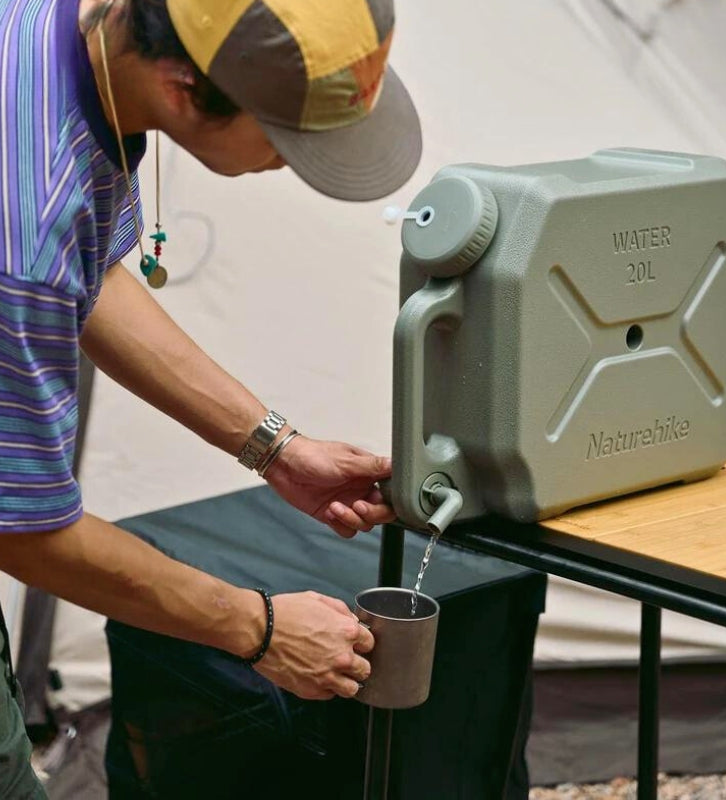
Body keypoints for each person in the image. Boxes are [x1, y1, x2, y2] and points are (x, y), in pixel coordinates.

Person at [0, 0, 423, 794]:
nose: (298, 165)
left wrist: (274, 447)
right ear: (184, 88)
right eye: (289, 141)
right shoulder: (18, 226)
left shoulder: (70, 43)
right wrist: (258, 630)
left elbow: (81, 277)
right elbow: (20, 529)